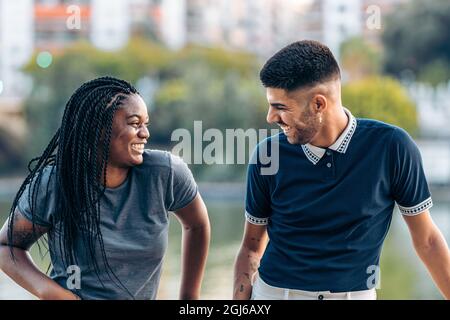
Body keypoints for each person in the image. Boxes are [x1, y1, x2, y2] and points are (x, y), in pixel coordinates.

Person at [233, 40, 450, 300]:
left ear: (318, 104)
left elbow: (427, 240)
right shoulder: (268, 155)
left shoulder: (392, 147)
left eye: (280, 107)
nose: (270, 117)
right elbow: (251, 247)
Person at [0, 76, 210, 300]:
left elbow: (197, 225)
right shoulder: (55, 183)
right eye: (134, 123)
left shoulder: (164, 174)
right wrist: (53, 293)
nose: (145, 133)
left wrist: (189, 298)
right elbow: (6, 247)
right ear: (98, 128)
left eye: (145, 124)